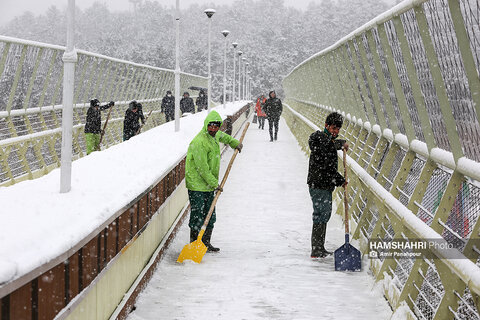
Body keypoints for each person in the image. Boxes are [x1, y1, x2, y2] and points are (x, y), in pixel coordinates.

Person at [185, 110, 243, 252]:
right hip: (197, 185)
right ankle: (194, 245)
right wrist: (214, 183)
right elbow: (202, 169)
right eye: (211, 126)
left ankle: (205, 243)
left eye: (216, 127)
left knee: (210, 215)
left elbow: (225, 137)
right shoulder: (199, 142)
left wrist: (235, 143)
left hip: (209, 185)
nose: (213, 129)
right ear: (206, 125)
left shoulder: (215, 135)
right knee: (198, 216)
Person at [307, 112, 349, 258]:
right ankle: (317, 249)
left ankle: (319, 247)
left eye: (338, 129)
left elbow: (328, 143)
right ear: (326, 126)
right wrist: (341, 181)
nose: (335, 131)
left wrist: (341, 143)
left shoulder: (321, 140)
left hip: (318, 183)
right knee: (321, 214)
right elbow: (328, 167)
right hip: (320, 184)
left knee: (323, 213)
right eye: (333, 128)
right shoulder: (325, 143)